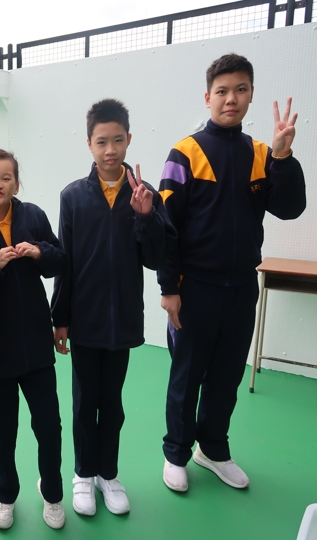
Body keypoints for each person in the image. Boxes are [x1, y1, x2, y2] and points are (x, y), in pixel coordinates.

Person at [158, 53, 306, 492]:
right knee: (187, 376)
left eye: (240, 90)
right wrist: (169, 287)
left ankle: (213, 450)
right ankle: (176, 453)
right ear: (208, 98)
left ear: (251, 95)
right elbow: (166, 227)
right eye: (222, 91)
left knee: (227, 376)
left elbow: (289, 208)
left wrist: (283, 157)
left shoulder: (262, 154)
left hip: (241, 288)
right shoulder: (184, 153)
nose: (231, 99)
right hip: (194, 288)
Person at [51, 99, 173, 517]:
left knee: (113, 403)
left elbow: (156, 257)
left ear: (129, 139)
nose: (110, 150)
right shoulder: (73, 197)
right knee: (85, 402)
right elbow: (65, 263)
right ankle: (83, 475)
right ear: (89, 143)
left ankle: (108, 474)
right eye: (101, 142)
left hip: (122, 318)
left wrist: (146, 216)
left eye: (117, 140)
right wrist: (60, 318)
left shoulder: (144, 194)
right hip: (84, 321)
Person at [0, 149, 66, 530]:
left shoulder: (33, 216)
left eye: (6, 178)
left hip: (37, 346)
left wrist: (39, 252)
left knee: (49, 425)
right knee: (3, 431)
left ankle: (53, 491)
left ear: (16, 183)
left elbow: (60, 260)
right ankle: (5, 494)